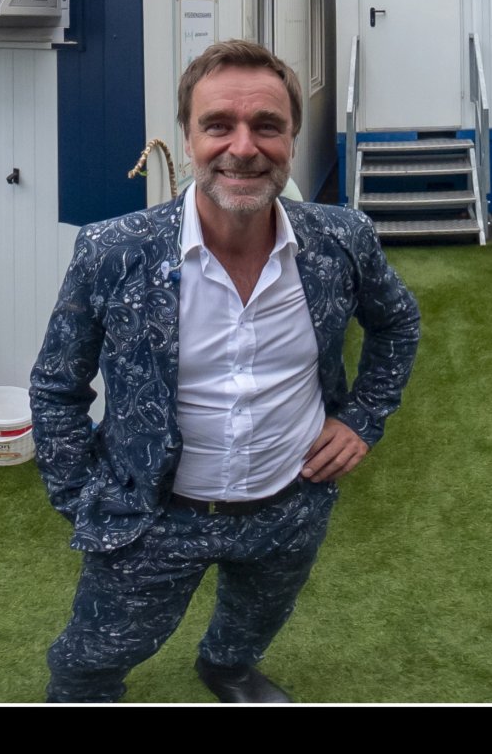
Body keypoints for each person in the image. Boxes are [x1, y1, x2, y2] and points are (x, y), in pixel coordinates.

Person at [31, 38, 420, 702]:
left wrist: (362, 418)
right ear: (188, 138)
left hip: (289, 506)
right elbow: (57, 387)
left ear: (291, 138)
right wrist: (80, 497)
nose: (243, 147)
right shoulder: (112, 250)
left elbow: (398, 324)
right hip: (153, 518)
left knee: (253, 621)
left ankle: (228, 669)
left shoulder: (341, 239)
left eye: (267, 125)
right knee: (95, 655)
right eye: (218, 125)